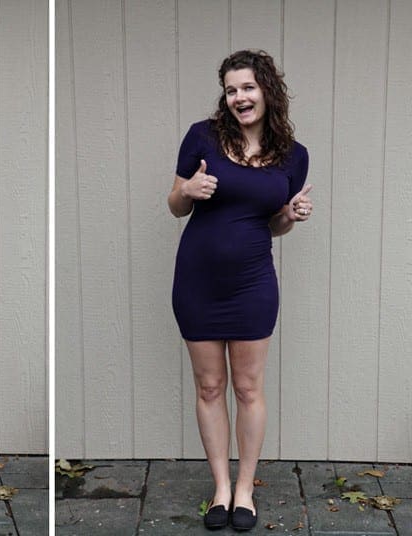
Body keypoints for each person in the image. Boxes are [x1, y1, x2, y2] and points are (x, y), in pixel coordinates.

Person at [167, 50, 312, 531]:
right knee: (209, 387)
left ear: (267, 90)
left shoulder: (294, 155)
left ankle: (245, 489)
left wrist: (288, 217)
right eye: (231, 90)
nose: (239, 98)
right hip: (197, 280)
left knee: (248, 388)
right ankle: (221, 490)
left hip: (252, 284)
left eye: (247, 88)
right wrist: (187, 189)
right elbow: (174, 205)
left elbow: (271, 225)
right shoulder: (202, 136)